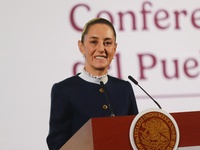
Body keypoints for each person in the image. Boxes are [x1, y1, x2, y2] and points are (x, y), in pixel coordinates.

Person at [46, 18, 138, 150]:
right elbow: (56, 145)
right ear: (81, 46)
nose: (101, 49)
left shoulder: (124, 88)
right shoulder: (64, 90)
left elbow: (136, 136)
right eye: (94, 42)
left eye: (107, 43)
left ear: (114, 48)